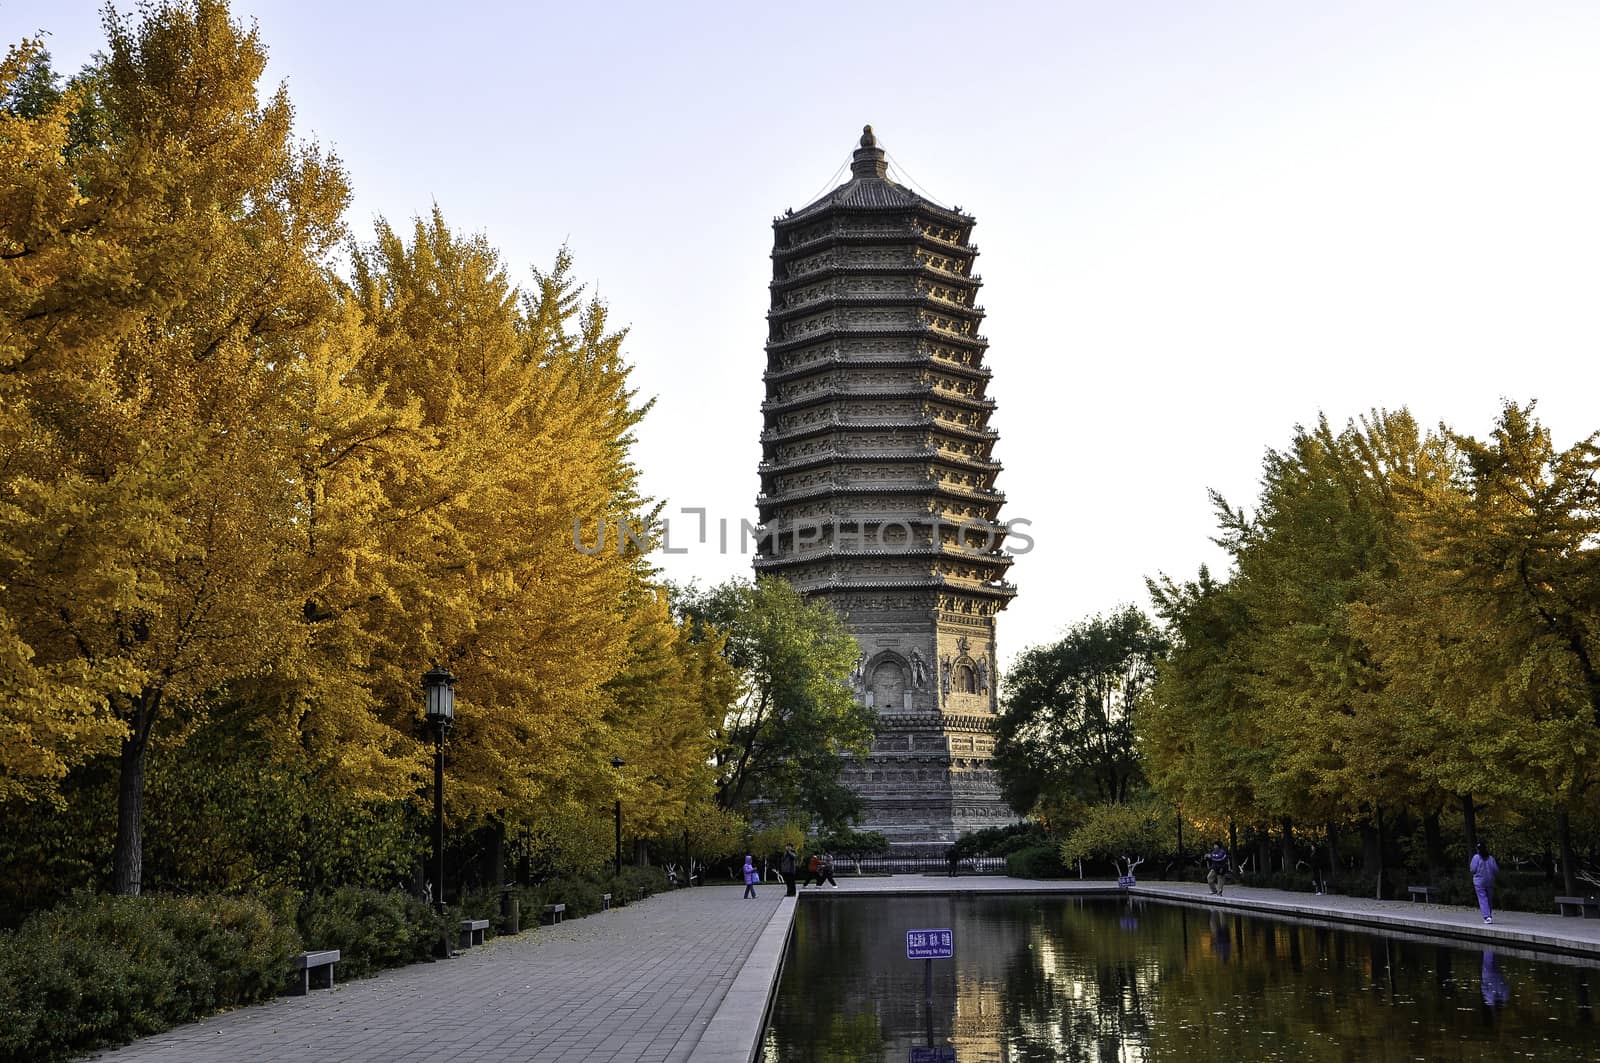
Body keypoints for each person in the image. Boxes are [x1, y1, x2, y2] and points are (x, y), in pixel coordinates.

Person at [1470, 840, 1500, 923]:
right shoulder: (1491, 858)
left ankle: (1487, 916)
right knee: (1489, 899)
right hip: (1490, 881)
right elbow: (1496, 870)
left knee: (1482, 898)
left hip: (1479, 881)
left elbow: (1472, 869)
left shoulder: (1476, 857)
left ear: (1477, 849)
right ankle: (1489, 915)